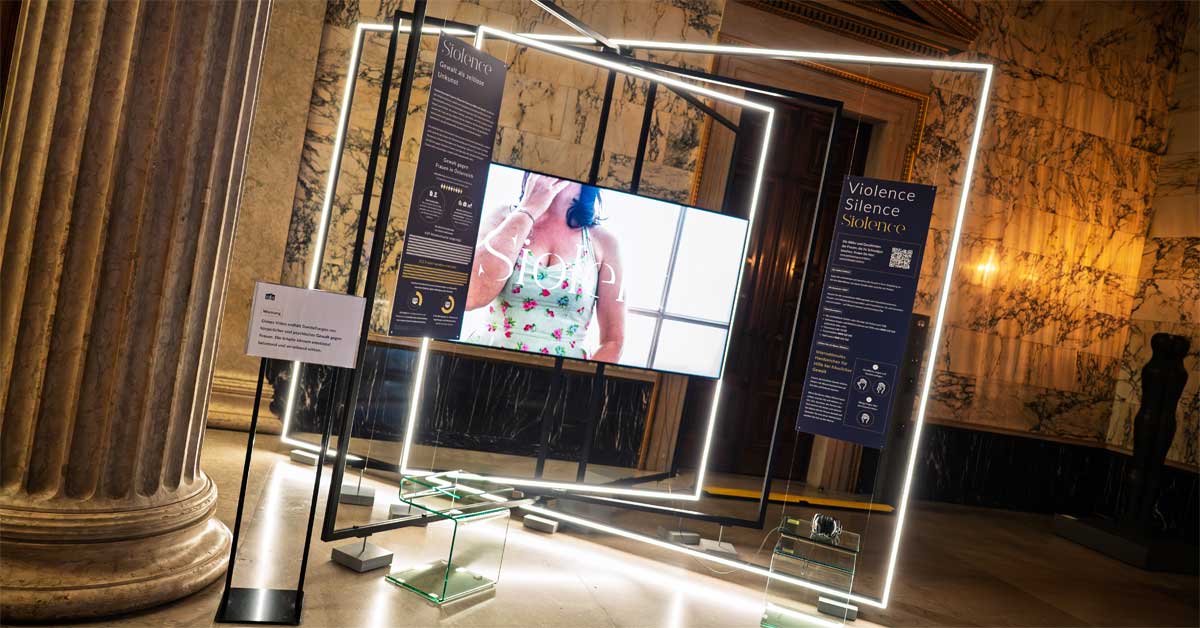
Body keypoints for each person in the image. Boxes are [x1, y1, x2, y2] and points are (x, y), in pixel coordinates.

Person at [465, 172, 625, 362]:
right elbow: (470, 296)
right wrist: (528, 210)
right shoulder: (503, 218)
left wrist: (578, 379)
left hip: (562, 376)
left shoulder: (604, 242)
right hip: (485, 366)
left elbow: (613, 342)